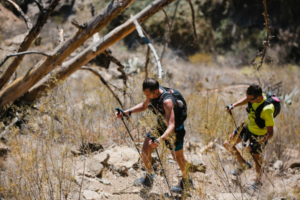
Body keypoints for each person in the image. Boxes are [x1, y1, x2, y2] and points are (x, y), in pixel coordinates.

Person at [115, 78, 193, 194]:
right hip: (161, 125)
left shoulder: (167, 102)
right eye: (145, 94)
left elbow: (171, 126)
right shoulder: (152, 94)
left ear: (156, 91)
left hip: (175, 130)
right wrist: (126, 113)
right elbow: (144, 105)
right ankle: (148, 177)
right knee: (145, 151)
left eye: (148, 95)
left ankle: (186, 180)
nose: (147, 97)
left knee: (178, 158)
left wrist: (159, 140)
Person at [223, 84, 275, 191]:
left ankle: (258, 183)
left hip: (259, 134)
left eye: (251, 99)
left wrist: (255, 144)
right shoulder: (254, 98)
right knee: (227, 143)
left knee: (257, 158)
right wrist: (233, 105)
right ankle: (243, 163)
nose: (248, 101)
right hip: (248, 126)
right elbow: (247, 99)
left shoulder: (267, 109)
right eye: (248, 98)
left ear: (259, 97)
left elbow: (270, 133)